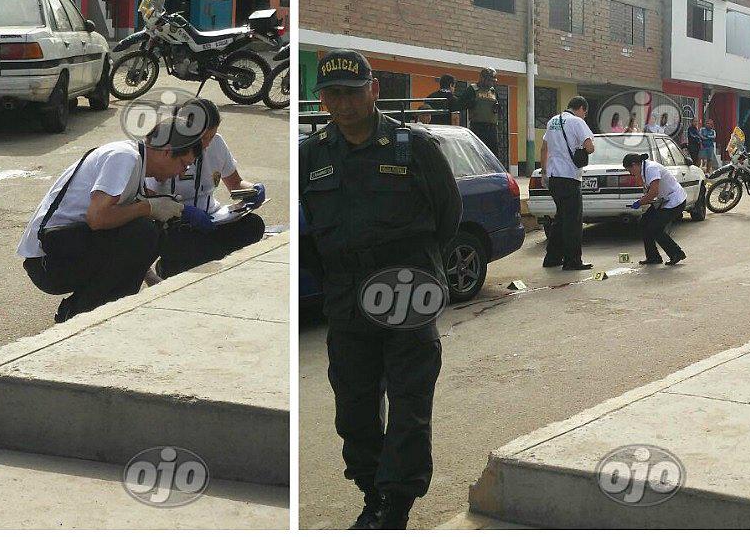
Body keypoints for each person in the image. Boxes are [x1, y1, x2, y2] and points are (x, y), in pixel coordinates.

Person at [300, 49, 461, 530]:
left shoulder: (414, 146)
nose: (343, 104)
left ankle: (395, 503)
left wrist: (416, 270)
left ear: (373, 90)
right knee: (353, 404)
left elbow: (447, 216)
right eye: (332, 95)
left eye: (352, 92)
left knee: (410, 401)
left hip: (407, 287)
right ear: (322, 99)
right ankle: (371, 489)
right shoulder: (312, 154)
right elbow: (309, 232)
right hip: (346, 293)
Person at [16, 104, 203, 323]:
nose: (181, 173)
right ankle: (79, 314)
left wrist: (146, 273)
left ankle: (112, 311)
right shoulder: (124, 157)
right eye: (183, 164)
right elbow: (97, 218)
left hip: (67, 247)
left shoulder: (135, 161)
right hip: (48, 260)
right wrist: (149, 207)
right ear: (166, 151)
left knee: (152, 227)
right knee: (144, 230)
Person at [145, 98, 266, 279]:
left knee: (253, 226)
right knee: (189, 242)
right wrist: (182, 211)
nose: (208, 143)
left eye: (211, 136)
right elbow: (148, 197)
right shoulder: (165, 148)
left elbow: (235, 183)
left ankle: (194, 262)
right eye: (203, 138)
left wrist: (252, 190)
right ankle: (173, 266)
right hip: (174, 221)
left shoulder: (216, 143)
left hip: (211, 217)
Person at [540, 96, 595, 271]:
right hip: (570, 177)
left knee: (561, 218)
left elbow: (544, 148)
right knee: (573, 221)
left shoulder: (552, 121)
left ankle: (552, 257)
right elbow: (590, 147)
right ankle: (572, 261)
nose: (584, 116)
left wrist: (543, 172)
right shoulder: (577, 122)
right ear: (581, 108)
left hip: (554, 176)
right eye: (584, 113)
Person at [624, 152, 687, 266]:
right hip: (664, 201)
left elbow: (654, 192)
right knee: (644, 223)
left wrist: (640, 202)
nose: (630, 173)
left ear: (634, 165)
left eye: (630, 170)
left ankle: (676, 253)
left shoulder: (651, 168)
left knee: (655, 228)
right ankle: (653, 257)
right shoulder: (643, 170)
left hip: (675, 201)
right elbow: (645, 188)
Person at [467, 67, 501, 156]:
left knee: (493, 156)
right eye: (489, 80)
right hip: (477, 127)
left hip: (492, 129)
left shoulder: (493, 91)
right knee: (477, 155)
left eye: (493, 81)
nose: (491, 83)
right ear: (482, 78)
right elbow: (461, 105)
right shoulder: (472, 89)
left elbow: (499, 109)